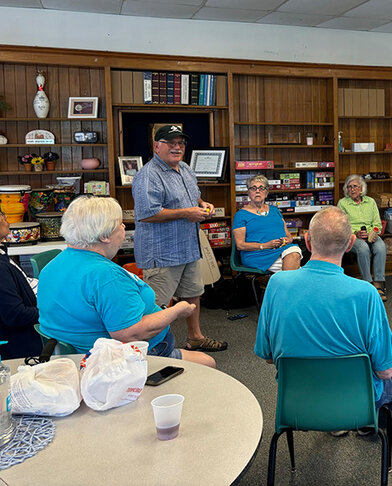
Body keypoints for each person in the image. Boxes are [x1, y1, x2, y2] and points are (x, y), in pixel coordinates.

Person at [254, 207, 392, 431]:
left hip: (297, 400)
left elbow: (268, 356)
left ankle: (333, 420)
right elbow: (384, 371)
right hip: (355, 400)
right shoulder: (366, 294)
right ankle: (370, 424)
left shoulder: (276, 284)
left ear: (307, 241)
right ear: (350, 244)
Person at [37, 197, 214, 367]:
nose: (124, 227)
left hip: (72, 356)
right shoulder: (105, 276)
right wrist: (177, 310)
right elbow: (131, 333)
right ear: (104, 236)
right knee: (208, 363)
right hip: (119, 360)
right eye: (119, 224)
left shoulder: (53, 265)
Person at [132, 125, 226, 352]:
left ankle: (195, 337)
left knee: (194, 293)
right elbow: (146, 214)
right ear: (157, 146)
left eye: (180, 143)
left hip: (187, 247)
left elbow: (193, 195)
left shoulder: (184, 168)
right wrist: (187, 212)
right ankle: (151, 349)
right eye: (170, 143)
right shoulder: (147, 175)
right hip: (162, 252)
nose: (177, 147)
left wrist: (202, 204)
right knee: (156, 305)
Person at [233, 174, 301, 272]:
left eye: (261, 188)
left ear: (267, 192)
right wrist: (265, 245)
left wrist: (284, 241)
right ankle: (287, 285)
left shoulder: (275, 211)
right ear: (248, 192)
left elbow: (289, 237)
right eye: (253, 188)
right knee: (295, 267)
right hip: (256, 255)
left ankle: (284, 285)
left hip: (281, 251)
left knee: (294, 252)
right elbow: (240, 245)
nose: (257, 191)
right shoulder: (241, 215)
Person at [337, 174, 388, 301]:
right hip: (352, 236)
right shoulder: (343, 203)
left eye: (355, 186)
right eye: (349, 187)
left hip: (371, 235)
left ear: (361, 188)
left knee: (381, 247)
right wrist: (356, 233)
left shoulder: (370, 202)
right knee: (363, 248)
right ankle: (367, 283)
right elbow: (341, 225)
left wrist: (374, 232)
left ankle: (379, 283)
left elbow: (377, 223)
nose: (352, 189)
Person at [0, 209, 41, 359]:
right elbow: (14, 314)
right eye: (1, 215)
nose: (5, 218)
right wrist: (49, 312)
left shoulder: (3, 255)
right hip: (18, 350)